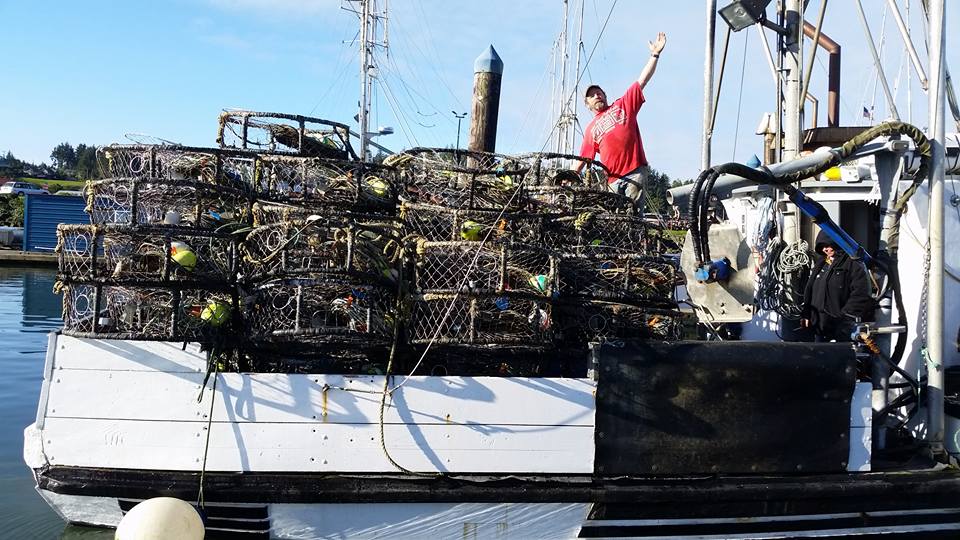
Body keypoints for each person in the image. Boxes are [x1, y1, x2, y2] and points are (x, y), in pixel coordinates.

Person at [574, 32, 666, 213]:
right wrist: (568, 177)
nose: (596, 95)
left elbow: (642, 81)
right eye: (591, 95)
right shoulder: (591, 129)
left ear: (605, 95)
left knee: (633, 215)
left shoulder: (622, 104)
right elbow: (583, 158)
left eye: (599, 92)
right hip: (612, 180)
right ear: (587, 104)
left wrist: (654, 55)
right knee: (615, 219)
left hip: (635, 171)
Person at [801, 230, 875, 342]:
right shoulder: (821, 263)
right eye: (822, 247)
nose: (825, 249)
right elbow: (810, 290)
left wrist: (846, 318)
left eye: (827, 245)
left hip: (842, 329)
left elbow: (861, 293)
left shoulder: (853, 263)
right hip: (820, 328)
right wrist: (806, 314)